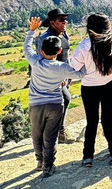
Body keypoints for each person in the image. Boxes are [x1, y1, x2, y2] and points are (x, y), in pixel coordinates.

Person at [24, 16, 85, 178]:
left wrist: (32, 31)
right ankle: (48, 166)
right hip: (55, 105)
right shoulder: (62, 67)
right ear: (59, 52)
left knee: (37, 134)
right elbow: (80, 74)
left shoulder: (35, 61)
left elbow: (27, 47)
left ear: (42, 51)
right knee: (50, 137)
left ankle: (39, 161)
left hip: (36, 105)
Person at [70, 14, 112, 167]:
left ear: (89, 28)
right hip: (111, 85)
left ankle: (88, 156)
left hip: (89, 87)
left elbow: (74, 67)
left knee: (92, 121)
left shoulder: (84, 46)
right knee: (107, 120)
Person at [35, 8, 74, 143]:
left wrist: (68, 75)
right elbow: (43, 61)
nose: (65, 22)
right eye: (62, 20)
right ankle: (58, 132)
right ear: (52, 23)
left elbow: (66, 56)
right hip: (50, 77)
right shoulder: (43, 39)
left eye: (65, 19)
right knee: (65, 99)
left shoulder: (65, 36)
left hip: (63, 76)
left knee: (63, 101)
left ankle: (55, 132)